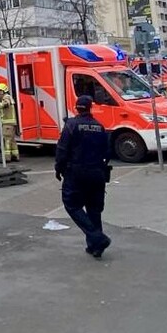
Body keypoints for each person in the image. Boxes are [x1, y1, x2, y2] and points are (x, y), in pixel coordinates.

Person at [55, 95, 112, 258]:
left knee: (71, 205)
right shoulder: (99, 127)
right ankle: (95, 247)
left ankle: (97, 238)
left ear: (76, 107)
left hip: (76, 173)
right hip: (97, 173)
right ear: (90, 107)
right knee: (94, 209)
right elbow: (107, 152)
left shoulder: (71, 125)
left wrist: (58, 168)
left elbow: (62, 149)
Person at [0, 83, 20, 162]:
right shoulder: (8, 97)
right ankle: (15, 155)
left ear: (3, 91)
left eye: (0, 91)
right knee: (12, 140)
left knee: (6, 140)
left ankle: (7, 157)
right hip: (11, 124)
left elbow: (5, 105)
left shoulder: (6, 97)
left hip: (7, 124)